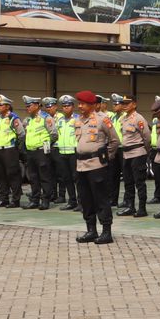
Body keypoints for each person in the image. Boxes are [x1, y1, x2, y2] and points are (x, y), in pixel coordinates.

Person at [72, 91, 121, 245]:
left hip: (97, 165)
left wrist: (106, 157)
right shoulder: (78, 121)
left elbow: (114, 141)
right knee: (86, 199)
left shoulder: (102, 120)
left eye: (83, 103)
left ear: (92, 105)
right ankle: (91, 230)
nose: (80, 106)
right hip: (81, 166)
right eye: (79, 103)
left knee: (101, 199)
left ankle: (106, 232)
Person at [112, 96, 150, 218]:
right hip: (126, 153)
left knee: (139, 182)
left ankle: (142, 208)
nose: (124, 105)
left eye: (127, 103)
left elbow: (147, 137)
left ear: (134, 104)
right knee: (128, 182)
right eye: (123, 103)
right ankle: (130, 206)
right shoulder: (123, 119)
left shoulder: (139, 119)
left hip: (137, 152)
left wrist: (146, 151)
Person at [22, 96, 56, 210]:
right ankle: (34, 200)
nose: (27, 108)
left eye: (29, 106)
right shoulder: (28, 120)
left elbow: (54, 134)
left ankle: (45, 200)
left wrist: (46, 145)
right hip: (30, 151)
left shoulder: (46, 118)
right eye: (26, 106)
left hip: (41, 151)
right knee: (33, 177)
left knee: (44, 176)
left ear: (36, 105)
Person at [0, 95, 22, 208]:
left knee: (12, 175)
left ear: (7, 106)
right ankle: (4, 198)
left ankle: (15, 199)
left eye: (0, 105)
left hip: (9, 149)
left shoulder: (13, 117)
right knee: (0, 175)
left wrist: (16, 147)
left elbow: (21, 134)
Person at [54, 96, 79, 210]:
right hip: (62, 152)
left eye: (68, 106)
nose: (65, 108)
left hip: (74, 152)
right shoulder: (60, 121)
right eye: (63, 106)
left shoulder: (78, 119)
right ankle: (72, 201)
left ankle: (82, 202)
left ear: (73, 107)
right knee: (66, 178)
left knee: (77, 178)